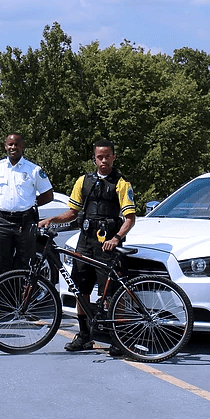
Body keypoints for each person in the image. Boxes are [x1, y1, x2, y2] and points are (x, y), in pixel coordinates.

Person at [40, 140, 136, 357]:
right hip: (85, 242)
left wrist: (117, 237)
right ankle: (84, 336)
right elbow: (72, 212)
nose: (103, 160)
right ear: (94, 158)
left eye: (107, 156)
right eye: (99, 157)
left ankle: (117, 339)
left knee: (111, 294)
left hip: (107, 244)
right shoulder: (83, 181)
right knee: (80, 290)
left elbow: (129, 219)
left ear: (113, 157)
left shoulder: (121, 184)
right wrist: (52, 219)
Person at [0, 133, 53, 276]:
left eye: (16, 144)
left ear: (22, 146)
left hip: (25, 222)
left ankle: (21, 297)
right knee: (2, 264)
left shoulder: (34, 170)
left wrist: (31, 203)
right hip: (2, 222)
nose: (13, 147)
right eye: (10, 144)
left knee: (24, 264)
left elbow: (48, 194)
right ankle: (4, 298)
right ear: (5, 146)